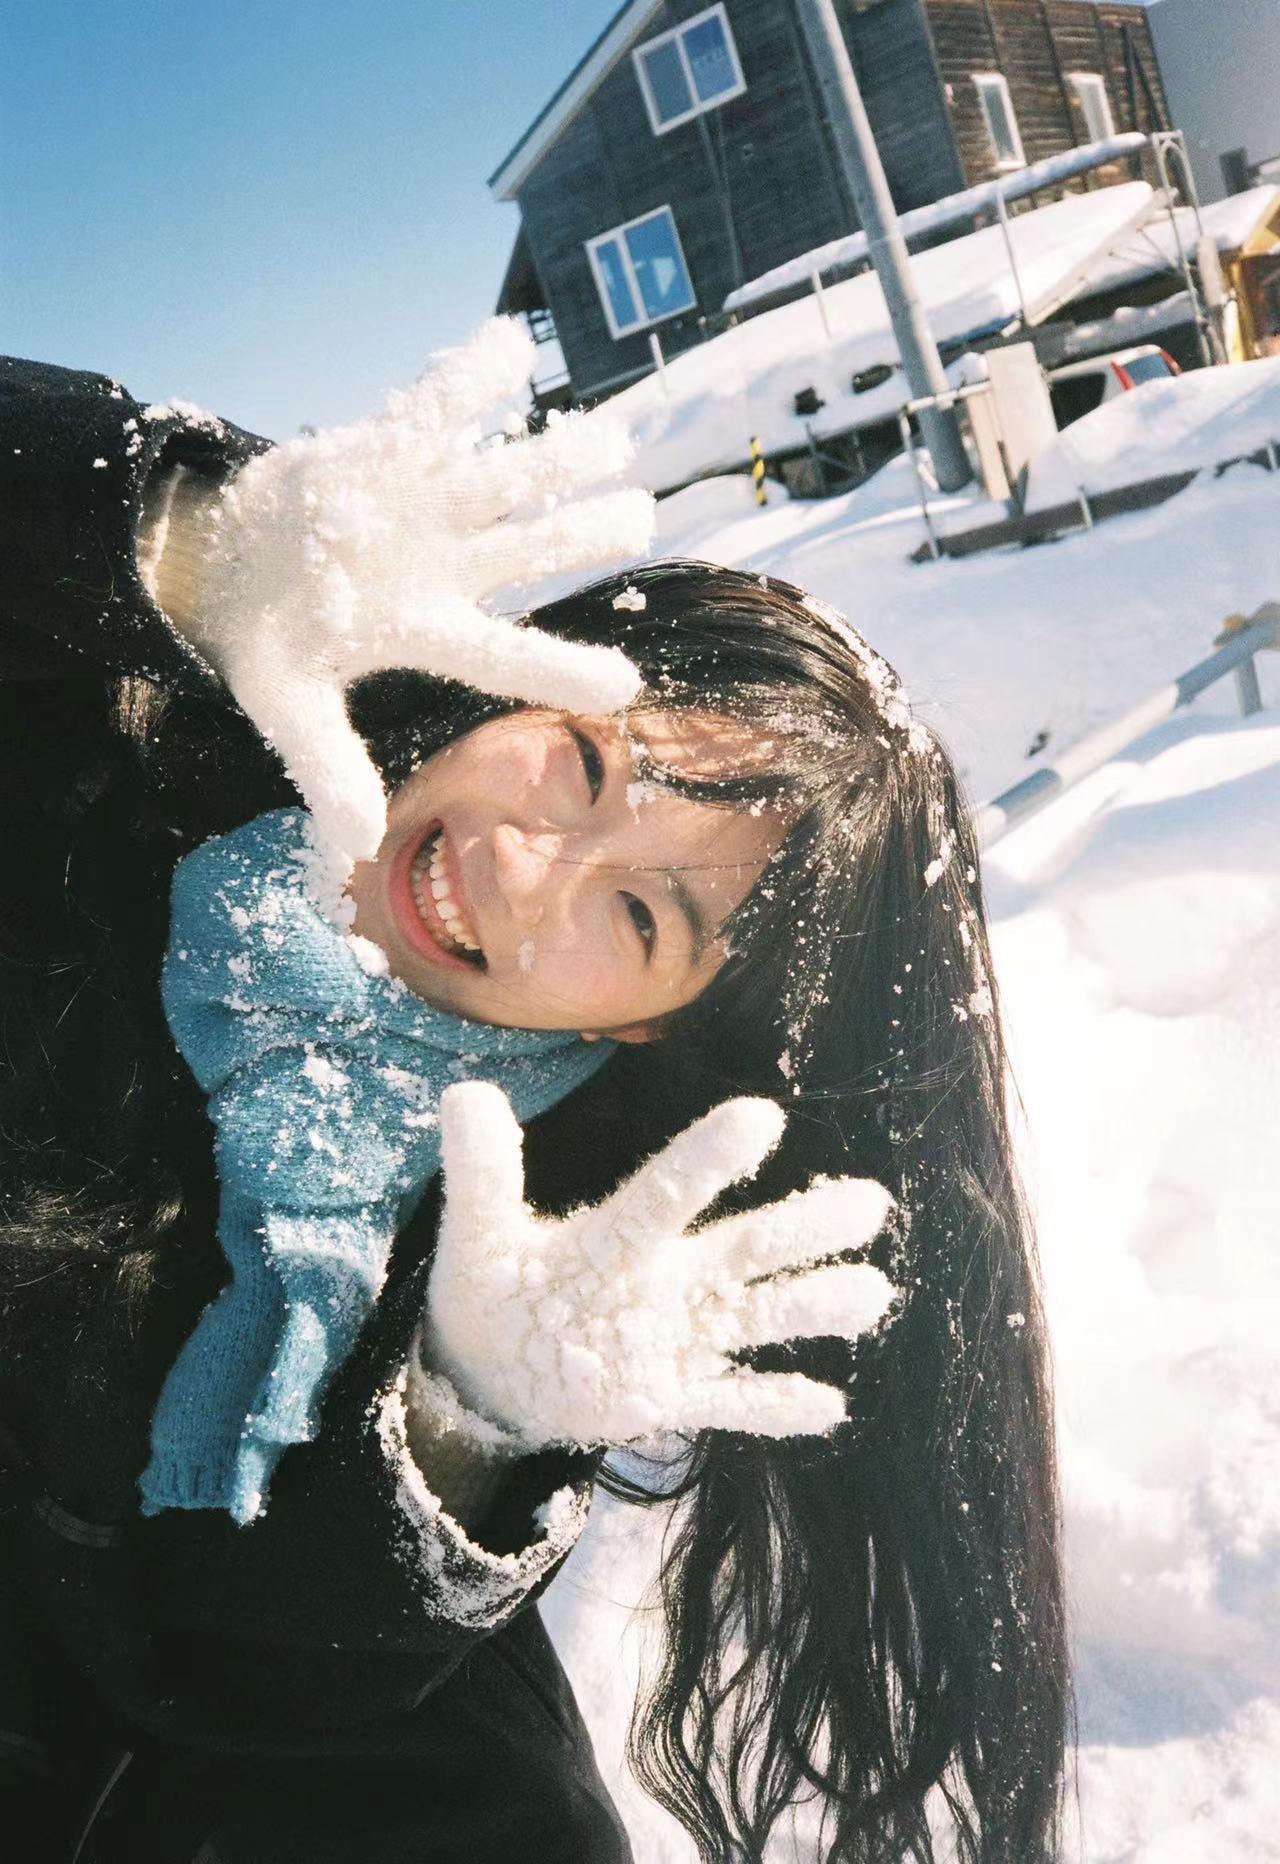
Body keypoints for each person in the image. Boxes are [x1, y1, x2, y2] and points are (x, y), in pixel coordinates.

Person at [0, 333, 1070, 1862]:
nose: (516, 864)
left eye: (637, 919)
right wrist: (191, 549)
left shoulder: (504, 1223)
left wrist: (462, 1421)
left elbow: (238, 1670)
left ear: (654, 1030)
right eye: (574, 763)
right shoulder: (188, 693)